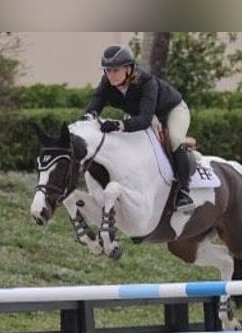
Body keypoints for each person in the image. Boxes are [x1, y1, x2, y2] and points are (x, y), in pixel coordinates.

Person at [80, 45, 195, 212]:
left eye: (115, 70)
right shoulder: (107, 82)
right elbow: (96, 102)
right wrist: (87, 118)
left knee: (175, 139)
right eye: (107, 70)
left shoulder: (146, 82)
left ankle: (184, 192)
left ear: (129, 69)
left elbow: (144, 120)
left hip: (172, 110)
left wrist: (119, 125)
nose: (110, 75)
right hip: (147, 113)